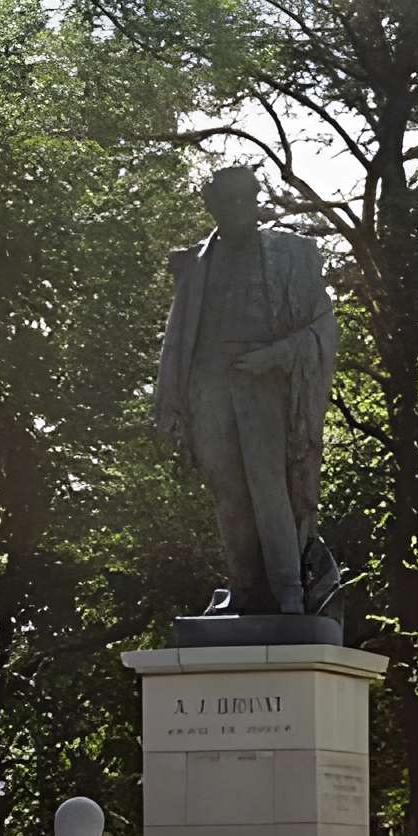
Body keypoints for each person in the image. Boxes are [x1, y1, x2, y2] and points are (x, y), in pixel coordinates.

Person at [153, 165, 344, 616]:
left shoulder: (290, 254)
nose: (239, 209)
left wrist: (274, 356)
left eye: (246, 200)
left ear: (257, 201)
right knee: (228, 493)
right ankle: (243, 590)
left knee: (268, 487)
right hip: (208, 385)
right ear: (212, 206)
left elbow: (323, 327)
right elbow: (180, 338)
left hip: (262, 382)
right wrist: (177, 399)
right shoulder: (196, 263)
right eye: (228, 202)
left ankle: (289, 593)